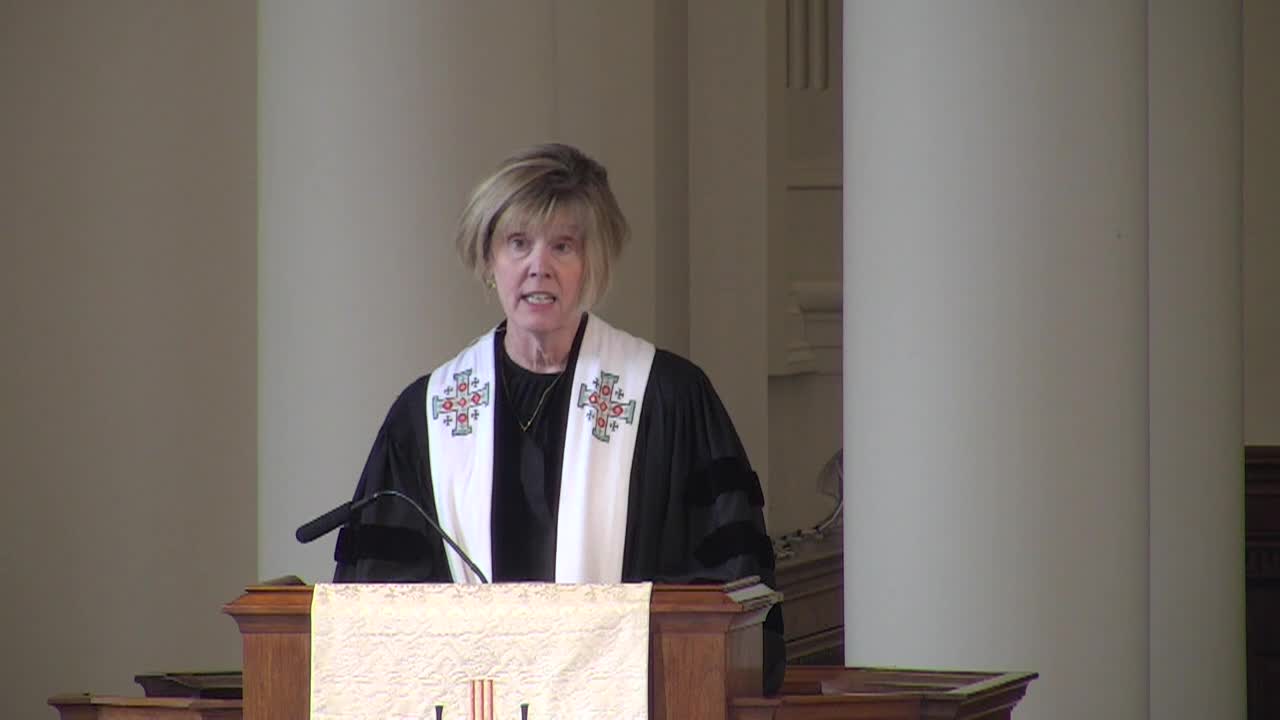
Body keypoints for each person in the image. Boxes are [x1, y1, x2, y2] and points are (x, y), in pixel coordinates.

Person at [332, 142, 784, 693]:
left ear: (592, 265)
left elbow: (727, 589)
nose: (538, 267)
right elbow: (379, 596)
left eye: (563, 246)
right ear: (489, 260)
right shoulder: (426, 415)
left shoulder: (668, 399)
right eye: (517, 243)